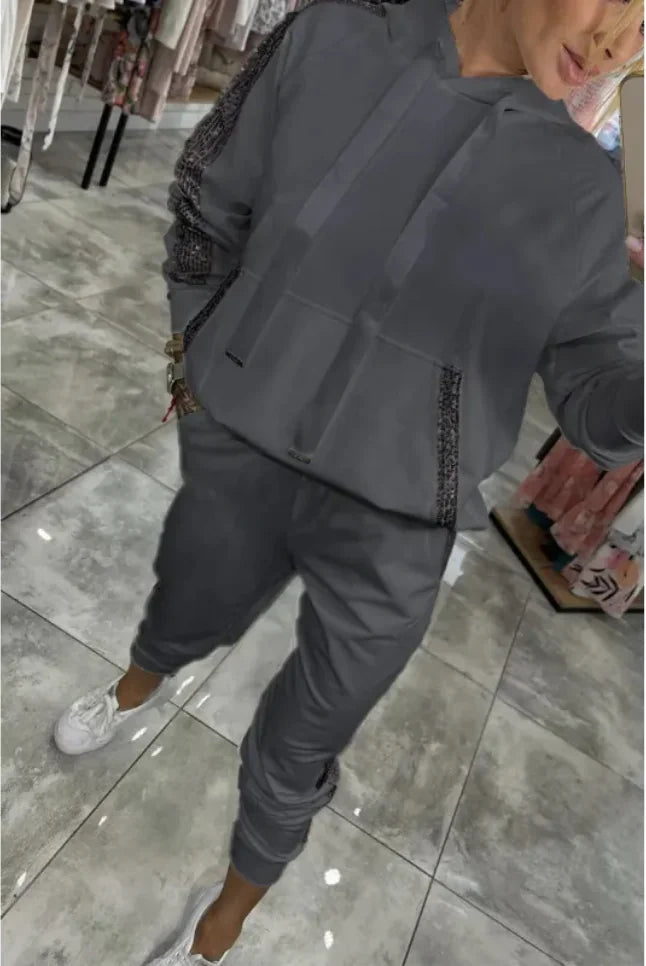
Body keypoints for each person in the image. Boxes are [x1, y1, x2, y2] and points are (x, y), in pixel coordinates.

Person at [54, 0, 644, 962]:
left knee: (303, 740)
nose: (620, 41)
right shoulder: (329, 40)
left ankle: (220, 926)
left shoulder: (583, 188)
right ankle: (133, 687)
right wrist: (201, 356)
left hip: (401, 515)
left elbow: (598, 391)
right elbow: (208, 198)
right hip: (247, 438)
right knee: (190, 597)